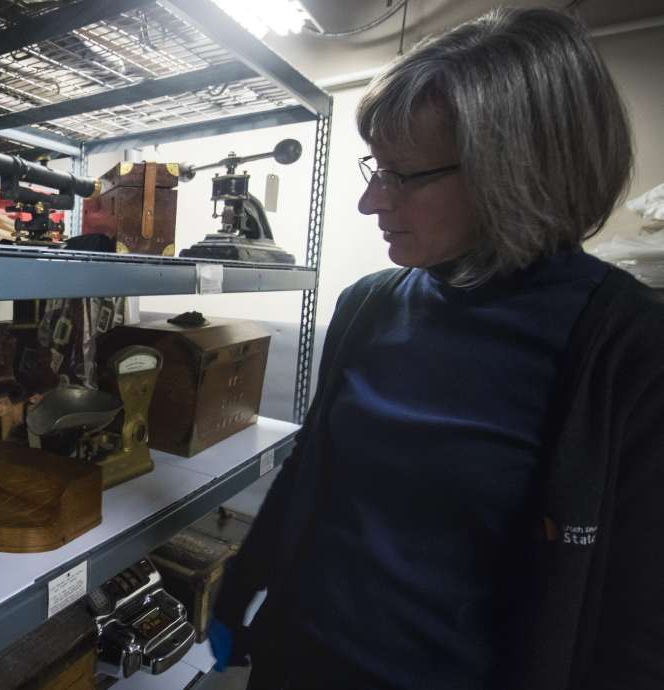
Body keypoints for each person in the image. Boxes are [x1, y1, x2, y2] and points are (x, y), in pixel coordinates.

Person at [208, 7, 664, 690]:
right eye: (376, 167)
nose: (369, 202)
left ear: (517, 171)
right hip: (296, 659)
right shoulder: (370, 306)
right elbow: (313, 469)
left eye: (404, 175)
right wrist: (244, 581)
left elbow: (636, 617)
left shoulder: (624, 351)